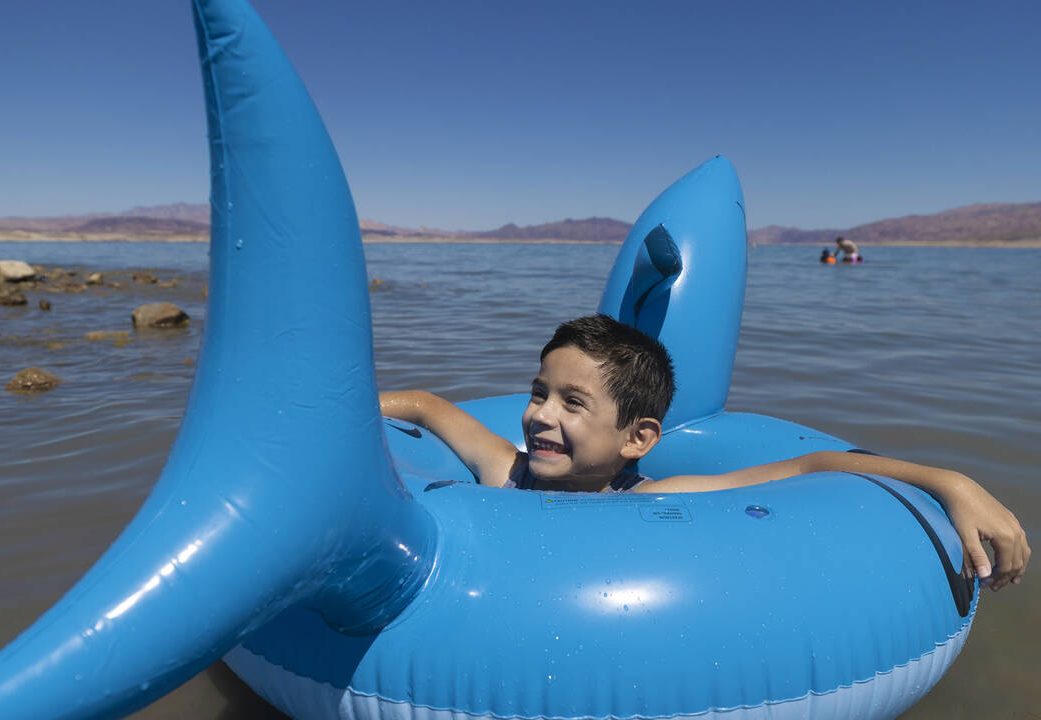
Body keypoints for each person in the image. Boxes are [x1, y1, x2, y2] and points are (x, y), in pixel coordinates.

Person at [380, 314, 1029, 591]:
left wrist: (950, 481)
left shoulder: (658, 500)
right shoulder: (508, 472)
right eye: (538, 392)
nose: (540, 415)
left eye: (572, 403)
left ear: (638, 439)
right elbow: (430, 406)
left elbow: (811, 465)